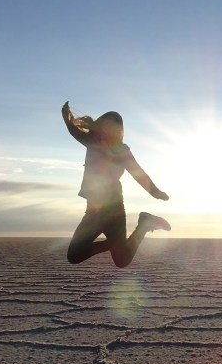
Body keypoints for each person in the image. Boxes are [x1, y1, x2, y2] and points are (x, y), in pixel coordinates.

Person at [62, 101, 170, 267]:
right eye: (105, 125)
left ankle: (143, 226)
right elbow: (74, 132)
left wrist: (156, 192)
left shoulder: (122, 151)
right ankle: (140, 227)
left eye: (112, 127)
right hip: (94, 210)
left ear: (118, 130)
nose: (108, 130)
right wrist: (67, 118)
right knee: (75, 255)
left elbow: (139, 175)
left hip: (113, 208)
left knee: (121, 260)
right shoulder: (93, 142)